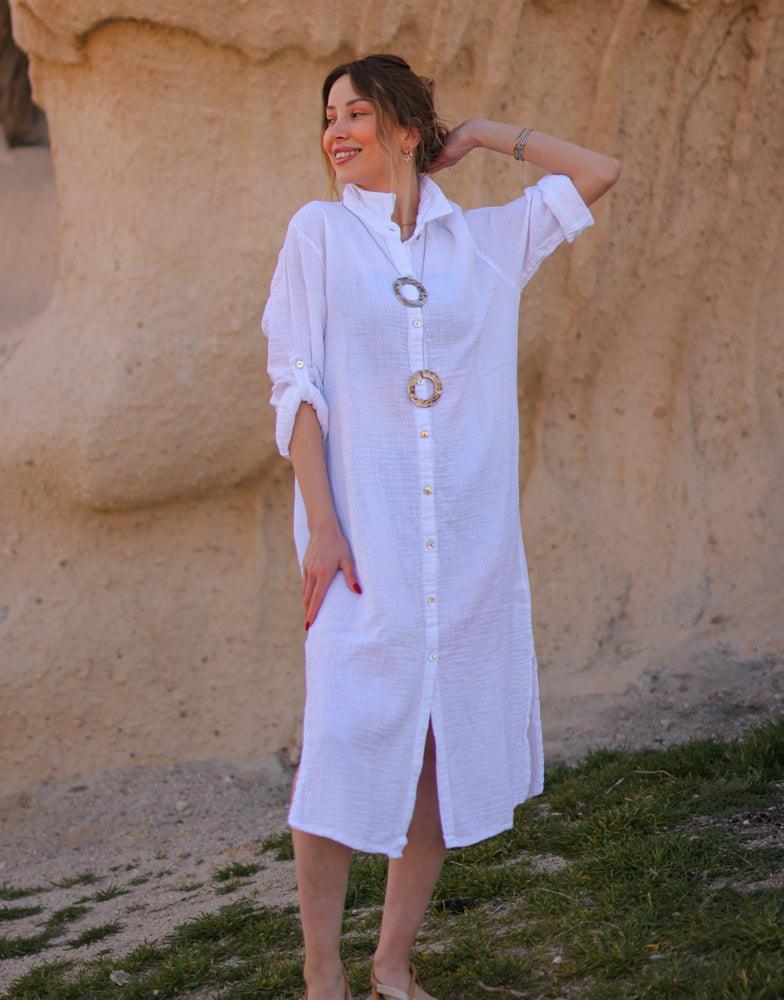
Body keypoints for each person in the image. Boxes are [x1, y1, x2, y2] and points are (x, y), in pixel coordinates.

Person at [261, 52, 620, 1000]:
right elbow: (296, 383)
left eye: (358, 114)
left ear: (408, 129)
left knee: (434, 757)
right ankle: (321, 971)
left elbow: (598, 174)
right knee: (339, 742)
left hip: (465, 552)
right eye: (327, 117)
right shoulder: (320, 236)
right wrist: (324, 526)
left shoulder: (487, 243)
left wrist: (487, 135)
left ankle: (390, 963)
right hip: (362, 547)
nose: (336, 131)